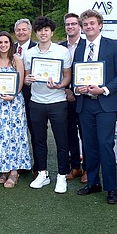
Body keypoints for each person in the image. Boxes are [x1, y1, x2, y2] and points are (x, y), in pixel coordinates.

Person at [73, 9, 117, 204]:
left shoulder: (113, 45)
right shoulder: (79, 48)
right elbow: (75, 76)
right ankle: (93, 182)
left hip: (106, 104)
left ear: (100, 25)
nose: (88, 27)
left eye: (92, 24)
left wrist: (103, 89)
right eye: (85, 24)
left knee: (105, 145)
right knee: (90, 145)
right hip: (85, 104)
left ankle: (111, 188)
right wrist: (77, 88)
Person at [23, 17, 72, 193]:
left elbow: (67, 75)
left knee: (61, 140)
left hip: (57, 102)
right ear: (35, 33)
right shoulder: (29, 53)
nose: (43, 33)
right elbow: (26, 78)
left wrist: (61, 85)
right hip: (36, 102)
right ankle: (42, 173)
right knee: (38, 140)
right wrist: (27, 80)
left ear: (52, 32)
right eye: (40, 30)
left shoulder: (62, 51)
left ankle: (61, 176)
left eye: (46, 30)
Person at [0, 32, 31, 188]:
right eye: (0, 42)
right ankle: (3, 169)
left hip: (14, 104)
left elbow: (20, 81)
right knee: (0, 136)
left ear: (10, 44)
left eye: (6, 42)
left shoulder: (16, 59)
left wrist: (13, 95)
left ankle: (14, 172)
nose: (3, 45)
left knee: (14, 136)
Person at [60, 13, 87, 183]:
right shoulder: (60, 47)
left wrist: (75, 90)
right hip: (65, 98)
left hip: (85, 97)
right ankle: (75, 166)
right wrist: (66, 89)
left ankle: (88, 169)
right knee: (70, 132)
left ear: (80, 26)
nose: (70, 27)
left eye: (73, 24)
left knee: (86, 134)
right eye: (67, 24)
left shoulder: (87, 45)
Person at [14, 18, 37, 160]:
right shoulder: (10, 48)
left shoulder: (37, 48)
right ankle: (18, 161)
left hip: (32, 96)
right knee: (16, 131)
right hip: (13, 97)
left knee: (34, 130)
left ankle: (37, 165)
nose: (21, 32)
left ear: (30, 31)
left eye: (24, 29)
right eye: (18, 30)